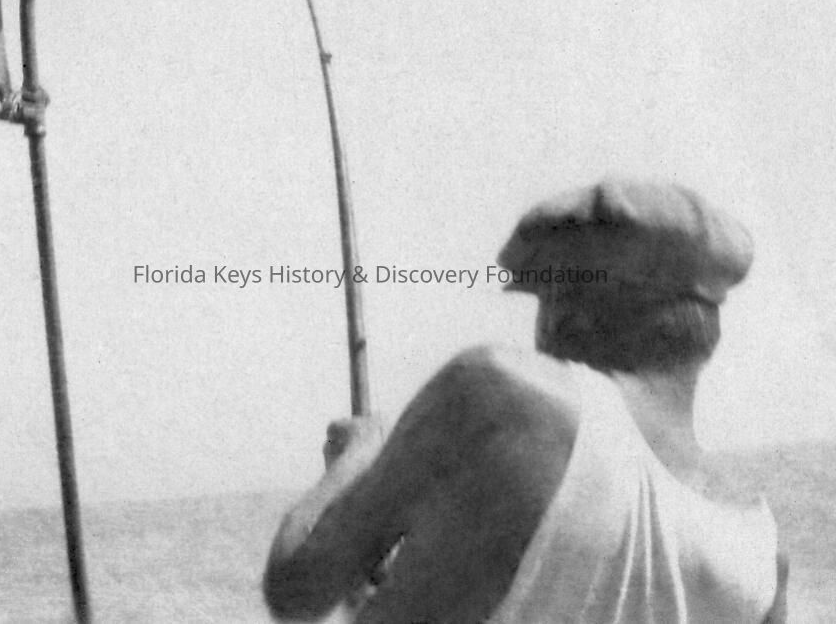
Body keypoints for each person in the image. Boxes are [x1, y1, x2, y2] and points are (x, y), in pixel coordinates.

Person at [262, 178, 789, 623]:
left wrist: (359, 455)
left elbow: (297, 588)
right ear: (704, 334)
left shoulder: (499, 391)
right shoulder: (761, 553)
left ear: (568, 315)